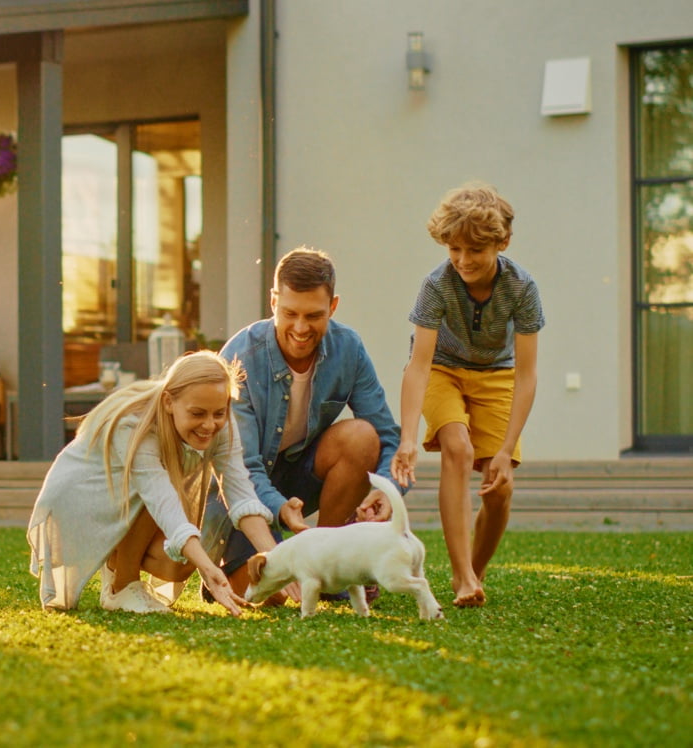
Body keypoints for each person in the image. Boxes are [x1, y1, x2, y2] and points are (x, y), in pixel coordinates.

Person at [201, 246, 404, 599]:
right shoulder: (240, 356)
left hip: (300, 475)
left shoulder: (349, 349)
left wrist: (387, 490)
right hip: (240, 489)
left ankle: (327, 563)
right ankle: (231, 569)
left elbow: (387, 436)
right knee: (272, 595)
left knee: (361, 436)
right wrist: (279, 509)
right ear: (273, 300)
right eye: (289, 312)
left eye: (314, 316)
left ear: (333, 307)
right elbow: (243, 468)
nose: (300, 327)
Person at [27, 350, 281, 615]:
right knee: (169, 513)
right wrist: (210, 568)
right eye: (197, 413)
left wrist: (280, 564)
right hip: (81, 499)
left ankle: (116, 566)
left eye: (219, 412)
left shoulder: (220, 422)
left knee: (178, 565)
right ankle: (121, 587)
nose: (209, 424)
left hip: (131, 498)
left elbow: (241, 497)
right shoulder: (135, 425)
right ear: (169, 402)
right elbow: (161, 501)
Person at [393, 182, 545, 608]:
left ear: (503, 242)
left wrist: (507, 447)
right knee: (456, 448)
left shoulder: (521, 288)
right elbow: (419, 365)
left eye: (474, 251)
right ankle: (461, 576)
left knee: (499, 488)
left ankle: (474, 575)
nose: (462, 260)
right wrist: (408, 438)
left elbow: (528, 374)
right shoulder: (437, 285)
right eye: (454, 249)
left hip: (497, 374)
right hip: (443, 369)